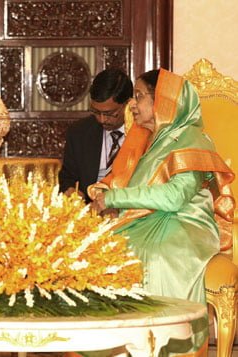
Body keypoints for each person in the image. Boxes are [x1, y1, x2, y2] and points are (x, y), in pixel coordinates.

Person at [89, 68, 235, 354]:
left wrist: (116, 198)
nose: (132, 104)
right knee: (101, 252)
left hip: (184, 224)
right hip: (148, 219)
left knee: (153, 256)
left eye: (139, 96)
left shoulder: (192, 140)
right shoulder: (151, 140)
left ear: (163, 101)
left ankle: (162, 347)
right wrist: (105, 193)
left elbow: (174, 197)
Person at [59, 68, 133, 202]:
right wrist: (70, 190)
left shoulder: (143, 134)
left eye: (110, 113)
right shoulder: (79, 132)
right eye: (96, 112)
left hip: (127, 210)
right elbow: (67, 177)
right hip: (89, 211)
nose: (102, 119)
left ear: (128, 104)